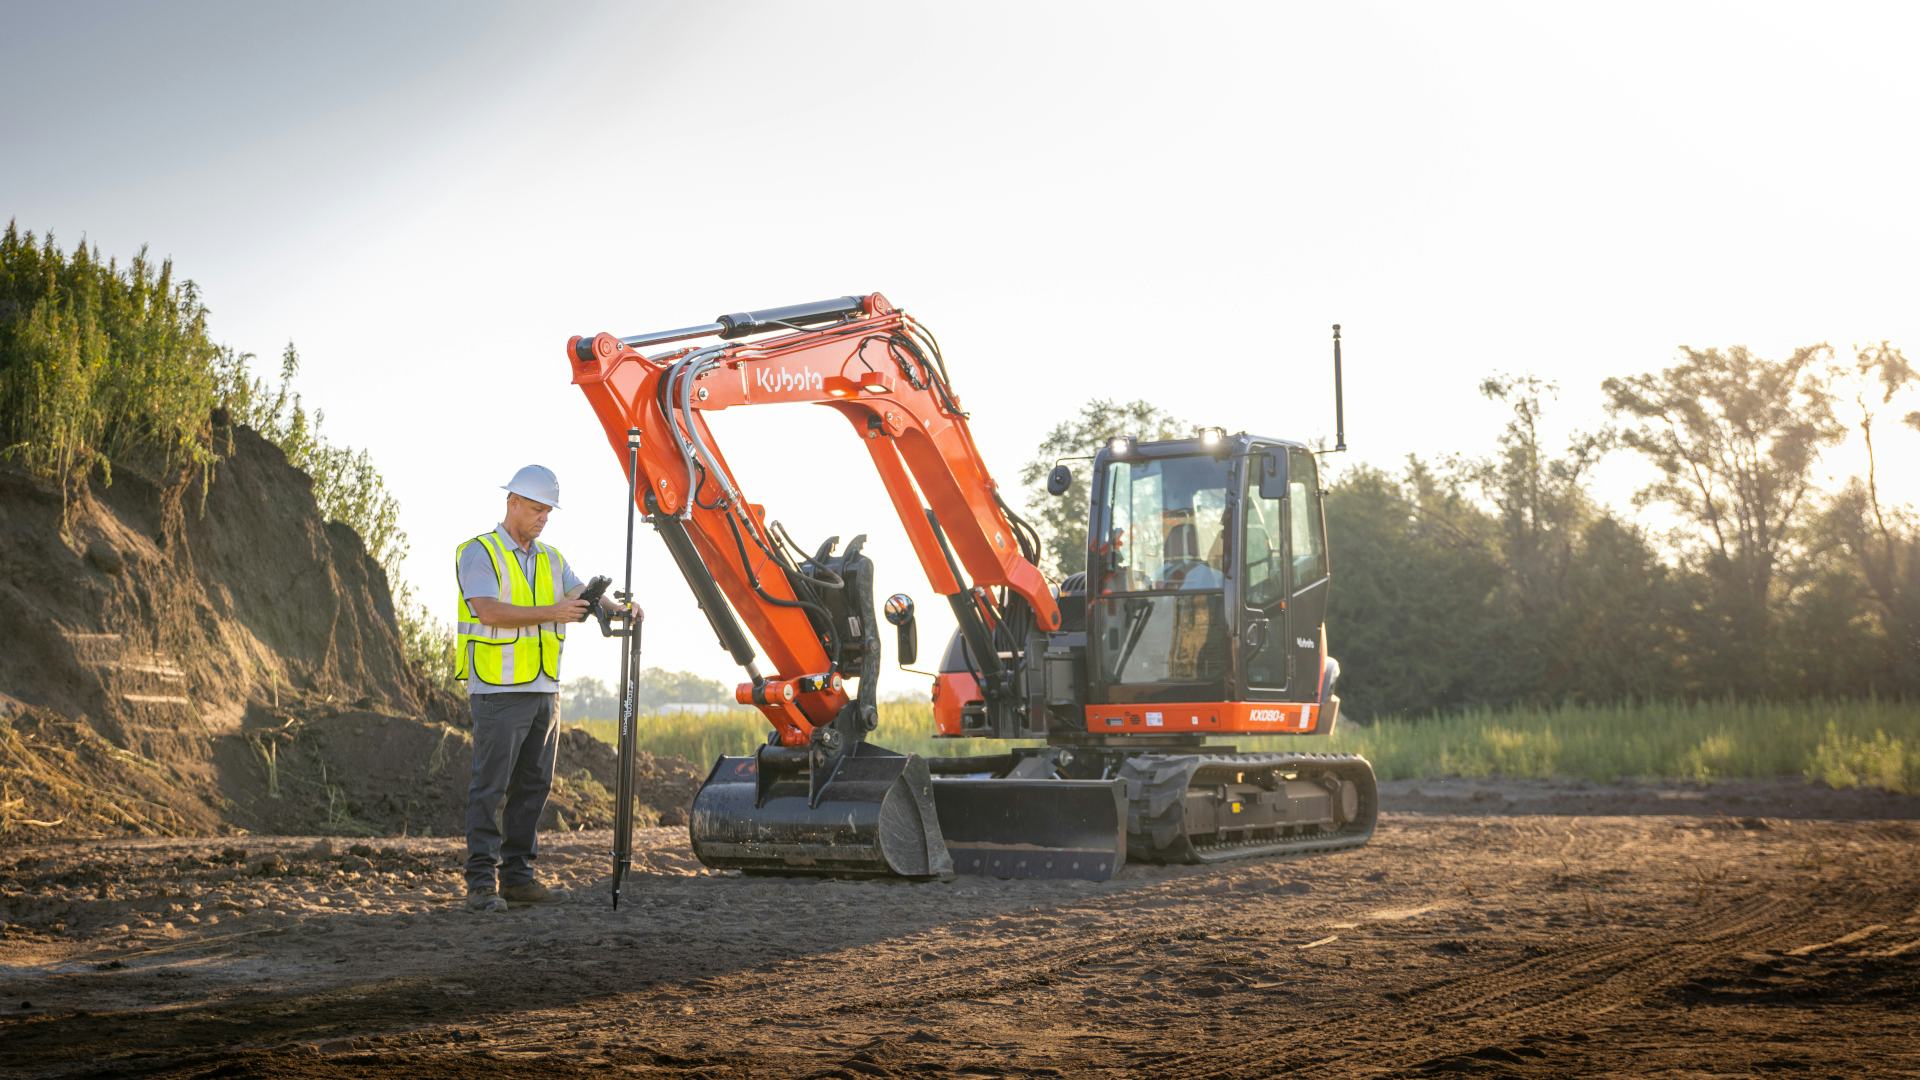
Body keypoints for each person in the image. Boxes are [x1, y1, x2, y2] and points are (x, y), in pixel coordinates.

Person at [454, 464, 635, 913]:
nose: (542, 518)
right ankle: (480, 884)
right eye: (536, 509)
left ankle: (517, 878)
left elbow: (579, 595)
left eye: (548, 512)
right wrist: (552, 610)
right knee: (490, 787)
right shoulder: (481, 553)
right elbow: (488, 611)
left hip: (543, 689)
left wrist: (616, 608)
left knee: (534, 786)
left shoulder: (552, 558)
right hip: (497, 690)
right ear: (512, 502)